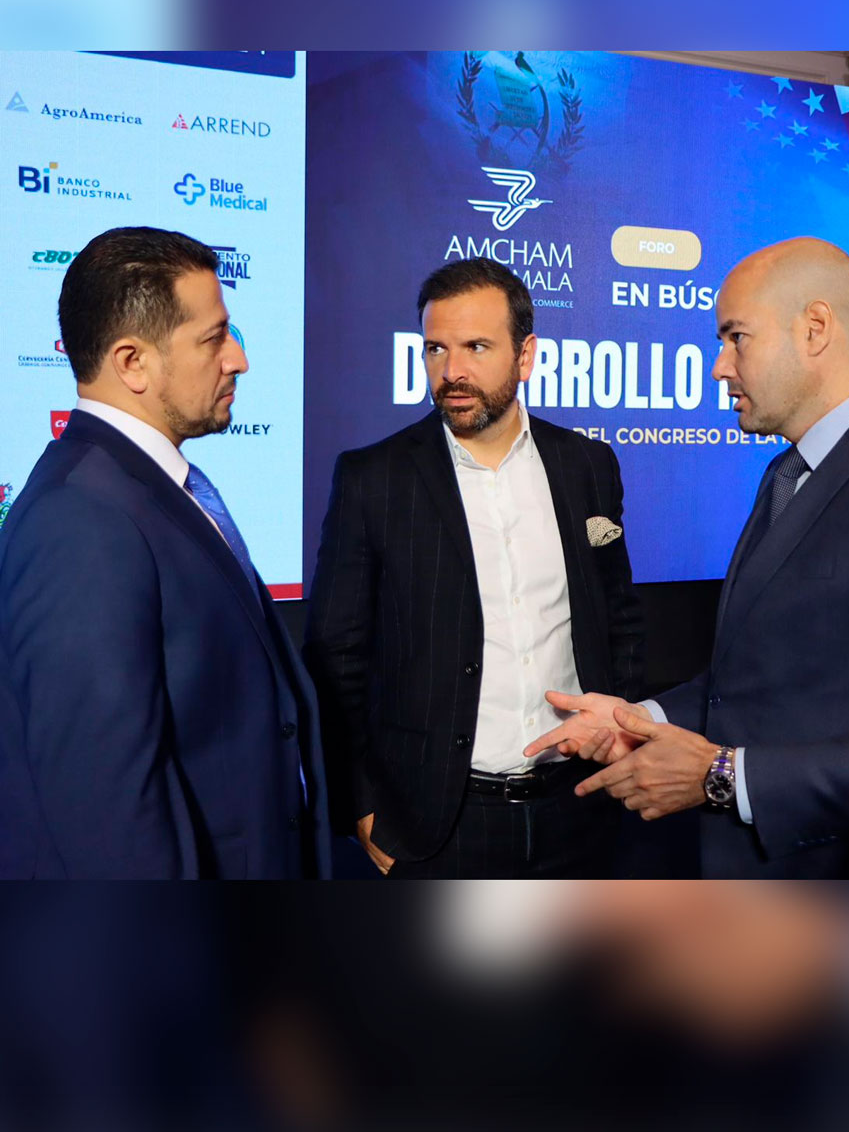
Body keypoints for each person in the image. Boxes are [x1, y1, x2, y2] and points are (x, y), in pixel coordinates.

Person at [525, 236, 849, 877]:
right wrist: (640, 720)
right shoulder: (788, 472)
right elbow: (763, 685)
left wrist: (725, 775)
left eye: (736, 338)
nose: (719, 367)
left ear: (815, 329)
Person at [0, 226, 330, 879]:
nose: (239, 359)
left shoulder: (146, 489)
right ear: (132, 363)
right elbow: (109, 813)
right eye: (215, 338)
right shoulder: (81, 520)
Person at [304, 257, 644, 877]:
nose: (451, 371)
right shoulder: (374, 478)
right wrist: (361, 809)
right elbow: (335, 654)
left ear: (526, 355)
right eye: (436, 349)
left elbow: (617, 616)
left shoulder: (587, 465)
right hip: (438, 824)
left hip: (581, 807)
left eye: (476, 347)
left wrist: (620, 728)